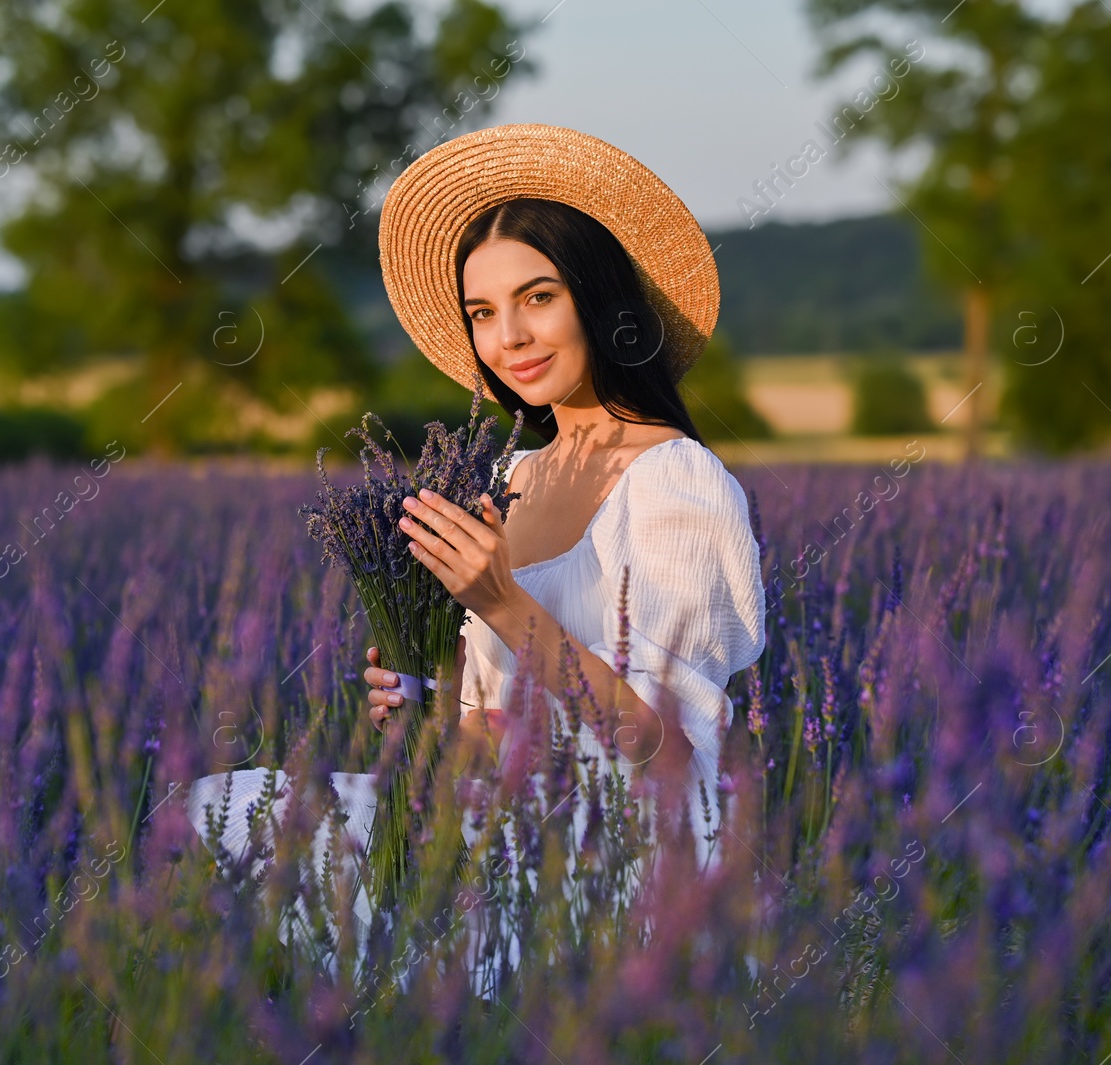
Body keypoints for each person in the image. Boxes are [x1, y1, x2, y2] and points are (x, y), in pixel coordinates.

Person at [175, 125, 766, 975]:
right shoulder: (508, 473)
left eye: (539, 298)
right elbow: (487, 719)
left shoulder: (676, 479)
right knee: (210, 811)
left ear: (601, 302)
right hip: (490, 806)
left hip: (612, 844)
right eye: (483, 313)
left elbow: (663, 748)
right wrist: (424, 692)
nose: (510, 338)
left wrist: (502, 604)